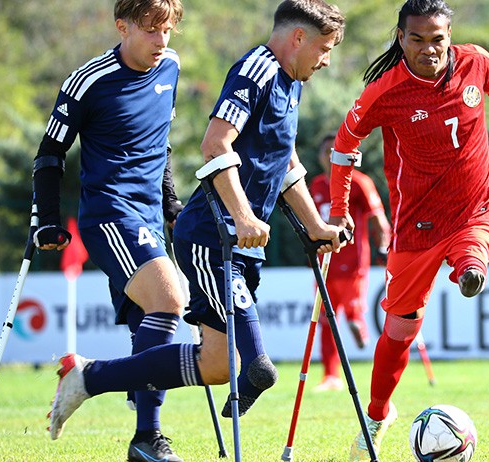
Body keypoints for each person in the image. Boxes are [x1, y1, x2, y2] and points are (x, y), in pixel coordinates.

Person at [45, 0, 346, 453]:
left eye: (168, 30)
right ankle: (145, 435)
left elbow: (280, 162)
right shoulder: (257, 70)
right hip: (154, 221)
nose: (326, 61)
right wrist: (45, 218)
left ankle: (91, 378)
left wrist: (317, 225)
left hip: (182, 223)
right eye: (323, 49)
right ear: (298, 37)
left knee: (218, 364)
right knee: (180, 305)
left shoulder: (278, 80)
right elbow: (214, 144)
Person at [325, 1, 489, 460]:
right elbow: (344, 148)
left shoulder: (475, 62)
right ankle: (378, 413)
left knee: (475, 245)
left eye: (437, 39)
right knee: (400, 331)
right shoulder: (383, 92)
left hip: (471, 208)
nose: (429, 49)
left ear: (450, 36)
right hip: (415, 225)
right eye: (417, 39)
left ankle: (470, 268)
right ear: (401, 39)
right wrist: (340, 209)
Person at [31, 1, 187, 460]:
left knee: (150, 326)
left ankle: (146, 441)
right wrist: (49, 218)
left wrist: (171, 201)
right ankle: (86, 378)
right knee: (171, 299)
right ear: (122, 26)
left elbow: (161, 143)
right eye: (152, 31)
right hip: (110, 215)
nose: (162, 42)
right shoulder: (87, 81)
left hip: (150, 219)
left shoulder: (172, 68)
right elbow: (49, 154)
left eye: (168, 31)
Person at [308, 133, 390, 392]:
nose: (328, 157)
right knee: (325, 320)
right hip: (324, 264)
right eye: (324, 152)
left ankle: (358, 326)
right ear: (320, 157)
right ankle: (330, 376)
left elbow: (379, 219)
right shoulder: (316, 185)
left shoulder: (359, 182)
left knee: (350, 311)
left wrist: (383, 247)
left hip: (353, 261)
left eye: (333, 151)